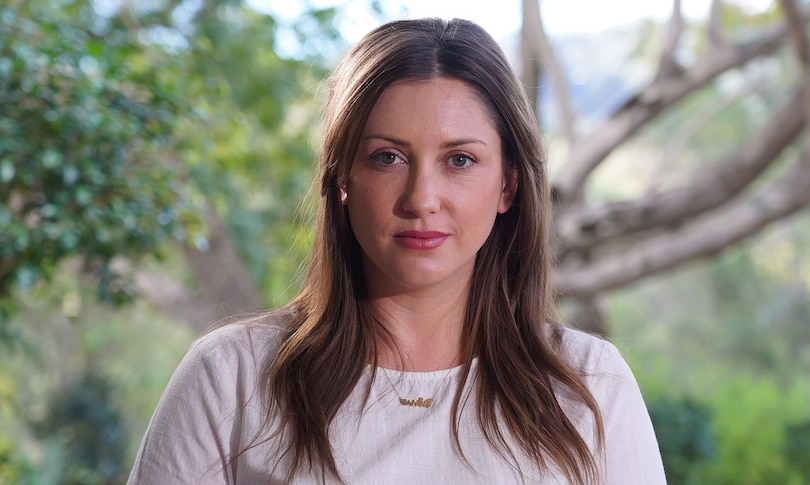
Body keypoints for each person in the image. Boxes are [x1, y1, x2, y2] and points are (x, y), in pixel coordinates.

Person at [128, 17, 666, 484]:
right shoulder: (232, 378)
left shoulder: (589, 385)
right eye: (388, 158)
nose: (421, 199)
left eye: (459, 160)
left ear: (508, 185)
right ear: (341, 179)